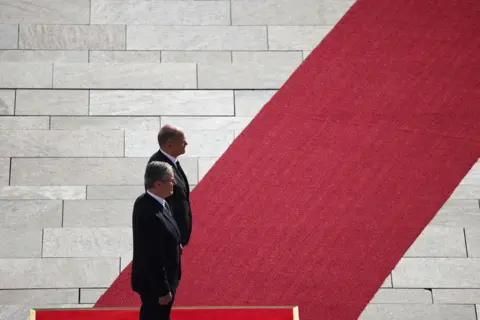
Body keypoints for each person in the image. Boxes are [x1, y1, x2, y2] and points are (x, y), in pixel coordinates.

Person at [131, 161, 181, 320]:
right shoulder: (150, 214)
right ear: (158, 184)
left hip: (157, 280)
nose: (174, 183)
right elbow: (151, 256)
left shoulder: (151, 201)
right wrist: (163, 290)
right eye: (171, 180)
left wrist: (174, 243)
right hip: (155, 285)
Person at [148, 124, 192, 247]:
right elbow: (160, 206)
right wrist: (172, 237)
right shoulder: (159, 168)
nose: (186, 143)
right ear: (170, 145)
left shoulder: (171, 161)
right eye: (183, 141)